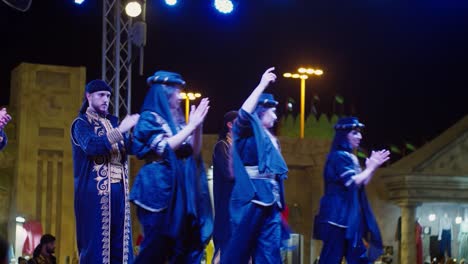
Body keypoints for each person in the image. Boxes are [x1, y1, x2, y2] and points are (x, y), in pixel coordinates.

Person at [130, 70, 213, 263]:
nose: (179, 96)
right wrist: (191, 127)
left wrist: (197, 126)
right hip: (157, 189)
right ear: (164, 93)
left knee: (181, 246)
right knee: (156, 246)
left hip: (179, 191)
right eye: (176, 92)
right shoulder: (148, 118)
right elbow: (163, 147)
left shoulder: (177, 121)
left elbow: (193, 150)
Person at [220, 67, 289, 263]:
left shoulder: (272, 139)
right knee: (239, 252)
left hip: (270, 201)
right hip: (251, 199)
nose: (276, 117)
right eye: (272, 111)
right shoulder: (246, 130)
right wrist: (262, 85)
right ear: (260, 111)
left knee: (270, 254)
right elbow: (243, 113)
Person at [71, 80, 139, 264]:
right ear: (88, 96)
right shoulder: (81, 124)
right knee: (96, 246)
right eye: (101, 95)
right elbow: (92, 146)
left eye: (108, 96)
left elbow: (134, 147)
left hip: (119, 193)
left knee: (121, 247)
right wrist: (121, 129)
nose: (106, 99)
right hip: (94, 194)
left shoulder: (113, 122)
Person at [313, 117, 390, 264]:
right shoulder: (339, 156)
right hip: (337, 217)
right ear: (344, 135)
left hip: (349, 218)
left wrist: (371, 169)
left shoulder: (350, 157)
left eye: (359, 133)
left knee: (358, 256)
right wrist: (371, 168)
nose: (359, 136)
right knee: (331, 258)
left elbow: (361, 183)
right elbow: (352, 182)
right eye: (354, 133)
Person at [212, 110, 237, 257]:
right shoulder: (221, 146)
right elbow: (230, 173)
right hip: (226, 208)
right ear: (230, 125)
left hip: (237, 207)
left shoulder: (237, 146)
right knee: (224, 250)